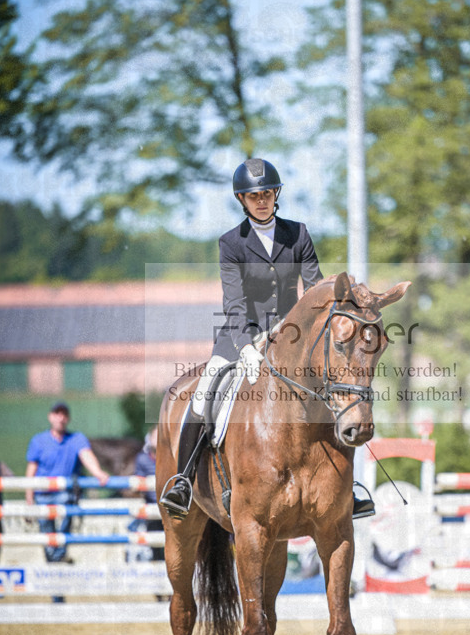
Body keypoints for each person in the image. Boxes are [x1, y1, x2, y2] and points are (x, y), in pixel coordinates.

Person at [161, 157, 375, 520]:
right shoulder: (232, 243)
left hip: (291, 336)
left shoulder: (298, 234)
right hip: (240, 335)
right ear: (242, 199)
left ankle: (345, 488)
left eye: (267, 194)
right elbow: (234, 302)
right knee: (204, 391)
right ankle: (183, 481)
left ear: (276, 195)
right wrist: (245, 346)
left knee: (335, 389)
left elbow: (316, 289)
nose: (261, 201)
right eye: (253, 196)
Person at [26, 401, 110, 564]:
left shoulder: (76, 439)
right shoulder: (38, 441)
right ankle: (56, 560)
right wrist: (29, 497)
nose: (61, 418)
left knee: (67, 514)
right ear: (50, 417)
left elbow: (86, 456)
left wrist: (98, 473)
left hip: (63, 494)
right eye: (57, 414)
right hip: (42, 494)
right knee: (47, 532)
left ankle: (57, 559)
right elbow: (31, 470)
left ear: (68, 418)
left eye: (64, 414)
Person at [126, 427, 163, 563]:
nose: (158, 440)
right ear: (149, 439)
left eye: (161, 436)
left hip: (171, 506)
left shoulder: (173, 458)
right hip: (152, 505)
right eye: (155, 436)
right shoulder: (142, 459)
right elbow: (138, 484)